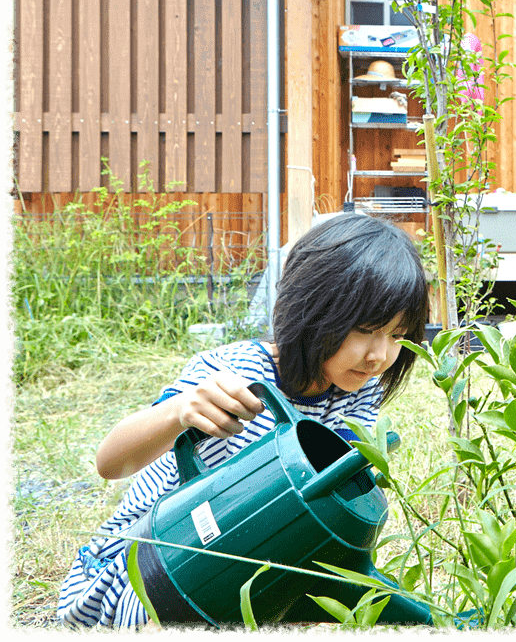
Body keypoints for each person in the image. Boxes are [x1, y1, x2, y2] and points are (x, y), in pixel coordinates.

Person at [57, 214, 428, 631]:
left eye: (398, 334)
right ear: (313, 307)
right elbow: (110, 463)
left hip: (236, 572)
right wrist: (178, 411)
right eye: (365, 330)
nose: (380, 355)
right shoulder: (236, 374)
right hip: (145, 571)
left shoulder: (359, 391)